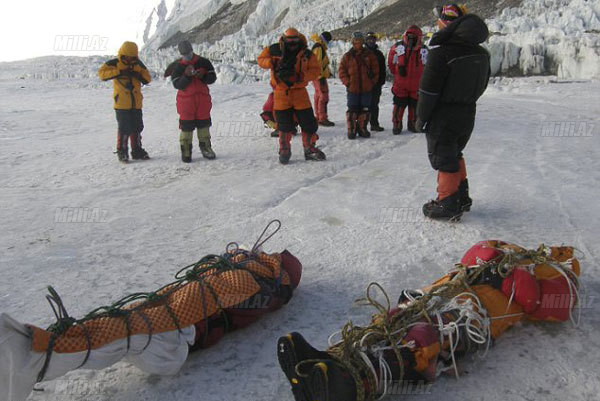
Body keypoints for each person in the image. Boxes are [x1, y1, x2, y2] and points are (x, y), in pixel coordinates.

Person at [416, 4, 490, 220]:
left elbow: (428, 91)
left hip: (444, 114)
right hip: (468, 112)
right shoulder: (481, 53)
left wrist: (421, 118)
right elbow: (483, 84)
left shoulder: (442, 53)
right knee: (455, 152)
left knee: (444, 156)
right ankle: (461, 196)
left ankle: (448, 202)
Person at [257, 28, 326, 164]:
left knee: (309, 123)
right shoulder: (274, 50)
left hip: (299, 92)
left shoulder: (306, 53)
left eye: (295, 39)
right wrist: (272, 62)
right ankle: (284, 150)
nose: (292, 42)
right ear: (284, 39)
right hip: (281, 92)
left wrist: (300, 76)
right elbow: (261, 60)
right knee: (283, 125)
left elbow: (316, 70)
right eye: (290, 40)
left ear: (298, 38)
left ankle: (309, 149)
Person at [98, 41, 152, 163]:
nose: (130, 58)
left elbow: (147, 78)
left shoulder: (138, 64)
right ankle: (122, 151)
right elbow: (102, 74)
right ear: (123, 53)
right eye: (128, 56)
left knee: (137, 127)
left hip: (136, 103)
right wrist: (119, 72)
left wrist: (137, 75)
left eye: (132, 56)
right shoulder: (114, 63)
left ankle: (137, 150)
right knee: (124, 128)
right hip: (122, 103)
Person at [170, 40, 217, 162]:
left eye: (188, 52)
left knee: (204, 126)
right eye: (184, 54)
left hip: (202, 101)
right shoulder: (178, 66)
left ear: (192, 50)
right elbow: (177, 85)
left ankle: (206, 148)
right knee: (186, 127)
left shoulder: (203, 62)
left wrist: (204, 76)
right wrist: (186, 76)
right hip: (186, 103)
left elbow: (212, 78)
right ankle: (186, 151)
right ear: (181, 54)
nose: (187, 55)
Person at [338, 32, 380, 140]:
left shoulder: (369, 55)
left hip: (366, 88)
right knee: (352, 110)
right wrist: (348, 82)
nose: (358, 43)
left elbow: (376, 70)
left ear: (363, 42)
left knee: (365, 110)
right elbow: (341, 71)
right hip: (353, 88)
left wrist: (371, 82)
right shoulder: (347, 56)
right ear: (352, 42)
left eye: (360, 41)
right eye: (356, 41)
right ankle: (351, 129)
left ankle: (362, 128)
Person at [388, 25, 428, 134]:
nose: (411, 38)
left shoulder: (423, 50)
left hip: (416, 84)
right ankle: (397, 124)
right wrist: (396, 73)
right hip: (402, 84)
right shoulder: (397, 47)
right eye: (410, 36)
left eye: (414, 36)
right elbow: (391, 62)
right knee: (399, 105)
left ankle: (413, 124)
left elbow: (428, 66)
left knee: (414, 106)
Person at [310, 31, 335, 127]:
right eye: (328, 41)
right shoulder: (319, 48)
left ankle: (318, 116)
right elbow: (318, 63)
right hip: (319, 77)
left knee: (318, 96)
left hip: (316, 76)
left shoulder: (318, 46)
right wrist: (320, 76)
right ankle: (322, 118)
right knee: (323, 97)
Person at [365, 32, 387, 132]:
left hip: (376, 84)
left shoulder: (379, 54)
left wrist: (382, 81)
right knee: (364, 105)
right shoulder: (362, 53)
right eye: (369, 39)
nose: (371, 41)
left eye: (373, 39)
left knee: (374, 105)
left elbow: (383, 69)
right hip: (365, 84)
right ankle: (363, 125)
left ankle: (374, 124)